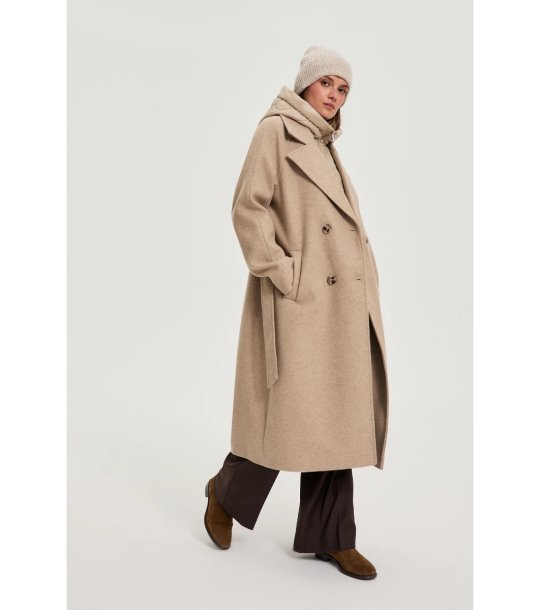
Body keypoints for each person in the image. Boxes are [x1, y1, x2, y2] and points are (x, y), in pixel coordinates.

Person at [203, 45, 389, 580]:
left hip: (339, 302)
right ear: (306, 82)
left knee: (335, 415)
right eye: (327, 83)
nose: (334, 95)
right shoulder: (277, 130)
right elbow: (247, 207)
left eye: (343, 89)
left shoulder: (324, 141)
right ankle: (225, 493)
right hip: (300, 299)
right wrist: (285, 272)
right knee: (285, 408)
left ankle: (332, 536)